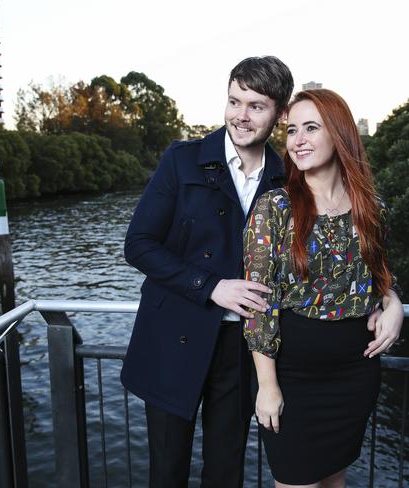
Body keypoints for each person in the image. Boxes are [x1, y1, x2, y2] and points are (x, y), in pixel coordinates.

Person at [120, 56, 294, 487]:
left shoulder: (288, 177)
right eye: (234, 101)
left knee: (225, 471)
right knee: (167, 470)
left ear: (280, 113)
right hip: (171, 339)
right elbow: (138, 245)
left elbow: (335, 240)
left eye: (256, 106)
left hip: (242, 350)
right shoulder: (181, 160)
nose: (240, 115)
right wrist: (210, 285)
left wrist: (389, 294)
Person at [243, 88, 404, 488]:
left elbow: (381, 276)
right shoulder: (274, 208)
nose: (297, 140)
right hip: (292, 378)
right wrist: (267, 386)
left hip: (355, 374)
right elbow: (258, 303)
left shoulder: (372, 208)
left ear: (339, 133)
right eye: (292, 130)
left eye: (310, 128)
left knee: (334, 482)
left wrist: (394, 303)